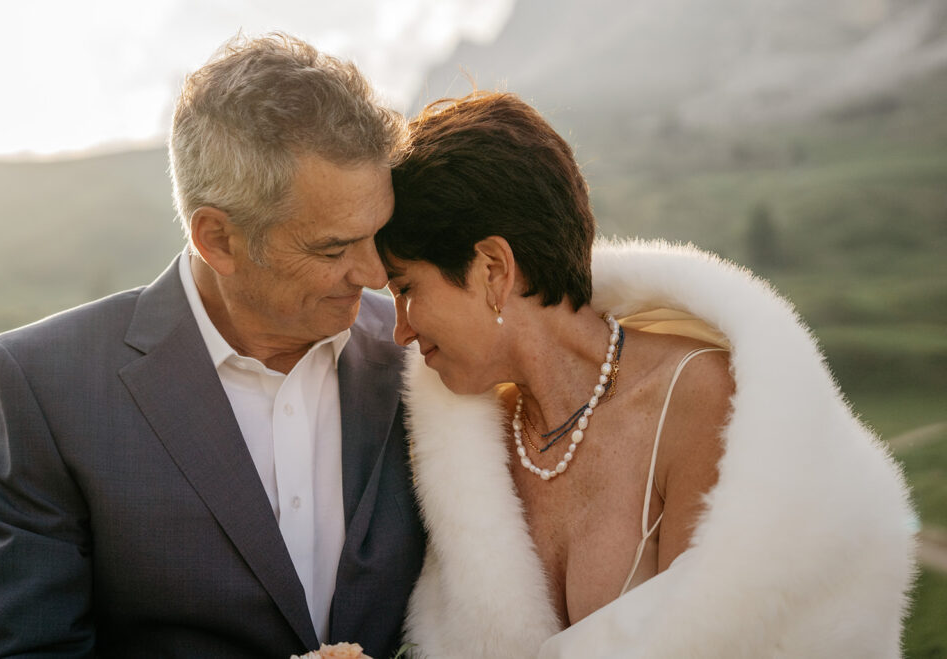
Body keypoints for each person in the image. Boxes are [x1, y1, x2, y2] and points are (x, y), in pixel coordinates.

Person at [375, 91, 916, 658]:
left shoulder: (698, 399)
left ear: (492, 269)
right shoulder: (468, 448)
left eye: (406, 289)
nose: (400, 331)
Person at [0, 33, 425, 658]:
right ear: (217, 239)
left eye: (377, 235)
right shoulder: (45, 388)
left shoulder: (424, 355)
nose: (373, 274)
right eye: (333, 248)